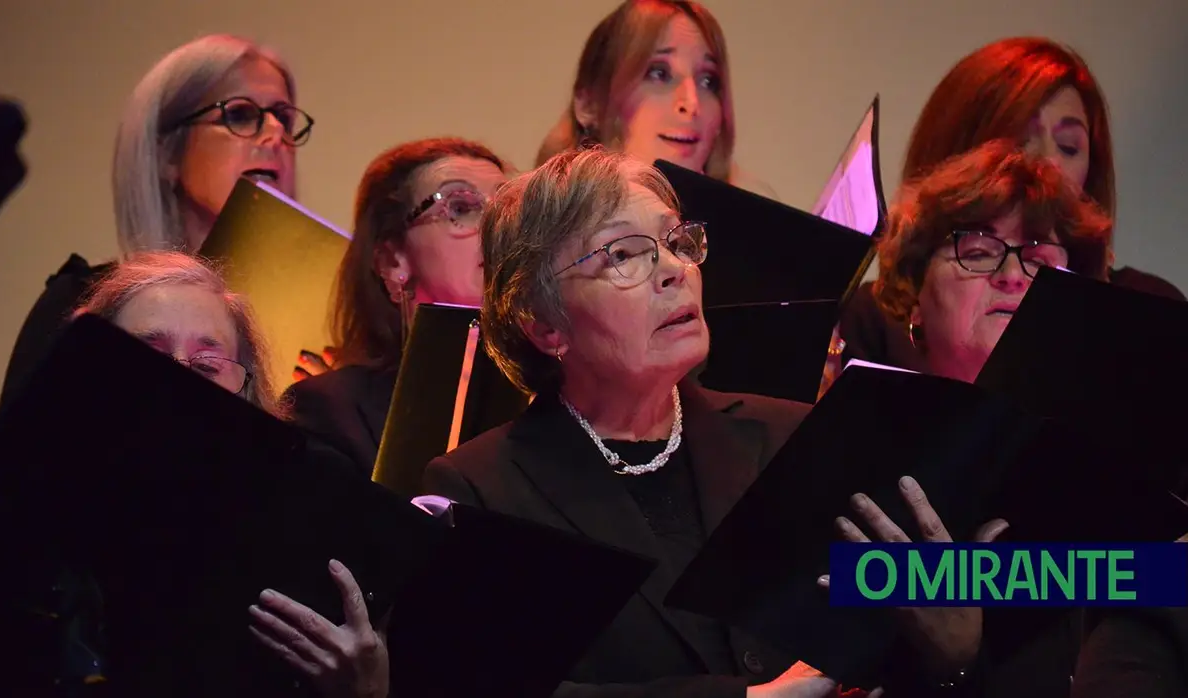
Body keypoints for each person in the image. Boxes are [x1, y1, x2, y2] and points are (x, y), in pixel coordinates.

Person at [420, 146, 983, 696]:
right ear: (544, 324)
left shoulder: (797, 436)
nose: (672, 270)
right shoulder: (481, 490)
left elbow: (886, 660)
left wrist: (952, 655)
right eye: (621, 254)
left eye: (674, 241)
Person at [5, 252, 386, 698]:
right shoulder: (19, 538)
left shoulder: (295, 558)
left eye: (206, 366)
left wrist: (367, 691)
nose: (178, 380)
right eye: (148, 356)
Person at [823, 140, 1111, 698]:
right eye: (978, 251)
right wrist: (947, 666)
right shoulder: (845, 460)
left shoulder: (1125, 472)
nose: (1012, 274)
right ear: (912, 296)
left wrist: (961, 660)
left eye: (1040, 258)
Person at [0, 33, 310, 408]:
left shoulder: (325, 339)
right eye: (241, 114)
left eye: (284, 117)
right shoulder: (82, 302)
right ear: (167, 154)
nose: (276, 134)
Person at [838, 36, 1174, 375]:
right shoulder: (871, 321)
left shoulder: (1152, 313)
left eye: (1069, 147)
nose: (1047, 163)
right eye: (979, 253)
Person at [285, 137, 509, 476]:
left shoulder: (564, 401)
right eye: (461, 208)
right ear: (393, 260)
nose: (496, 225)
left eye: (510, 209)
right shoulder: (331, 412)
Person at [537, 0, 776, 197]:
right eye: (659, 73)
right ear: (588, 105)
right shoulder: (537, 242)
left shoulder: (759, 244)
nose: (691, 103)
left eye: (708, 81)